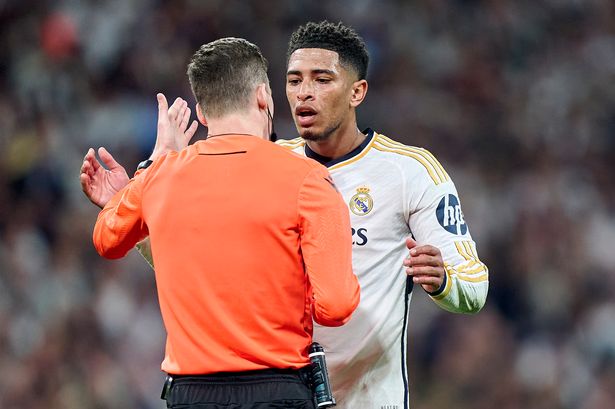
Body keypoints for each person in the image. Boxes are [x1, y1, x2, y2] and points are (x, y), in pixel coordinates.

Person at [81, 22, 489, 409]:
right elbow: (200, 263)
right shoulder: (271, 165)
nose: (303, 94)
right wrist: (139, 216)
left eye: (321, 79)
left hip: (367, 397)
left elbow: (475, 286)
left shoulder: (409, 172)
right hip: (285, 389)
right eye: (294, 81)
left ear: (357, 91)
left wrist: (444, 281)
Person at [86, 37, 360, 409]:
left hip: (191, 396)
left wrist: (154, 162)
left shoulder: (159, 177)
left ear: (201, 112)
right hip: (278, 391)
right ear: (264, 96)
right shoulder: (307, 180)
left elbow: (107, 239)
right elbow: (337, 306)